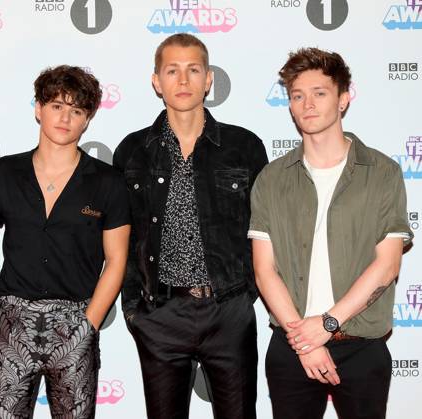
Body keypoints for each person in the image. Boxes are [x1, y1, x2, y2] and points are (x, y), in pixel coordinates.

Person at [249, 47, 412, 419]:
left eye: (320, 93)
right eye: (297, 95)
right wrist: (305, 341)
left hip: (362, 348)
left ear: (343, 98)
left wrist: (326, 324)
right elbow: (264, 271)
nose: (307, 104)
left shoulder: (383, 173)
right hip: (291, 346)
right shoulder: (271, 179)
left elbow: (387, 267)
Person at [113, 33, 268, 419]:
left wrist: (243, 295)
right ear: (156, 81)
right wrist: (136, 308)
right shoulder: (132, 150)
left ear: (209, 78)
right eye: (172, 70)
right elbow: (122, 237)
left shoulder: (243, 146)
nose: (183, 81)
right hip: (160, 314)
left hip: (228, 310)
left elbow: (266, 231)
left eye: (193, 70)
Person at [0, 65, 130, 419]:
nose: (65, 117)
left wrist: (89, 324)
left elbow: (116, 260)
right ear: (38, 109)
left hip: (76, 321)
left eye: (76, 110)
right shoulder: (4, 172)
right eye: (56, 106)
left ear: (87, 120)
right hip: (11, 323)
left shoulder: (107, 182)